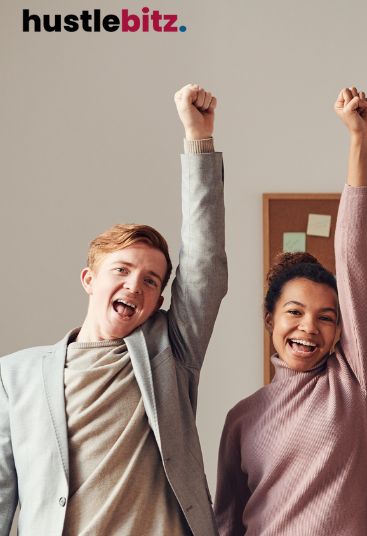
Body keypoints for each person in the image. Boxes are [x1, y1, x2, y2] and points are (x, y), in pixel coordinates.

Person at [0, 84, 226, 535]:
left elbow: (203, 263)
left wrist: (197, 139)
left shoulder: (170, 351)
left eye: (150, 280)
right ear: (89, 280)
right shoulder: (15, 376)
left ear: (160, 300)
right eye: (120, 271)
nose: (134, 286)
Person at [214, 87, 367, 535]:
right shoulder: (242, 418)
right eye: (294, 312)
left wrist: (358, 141)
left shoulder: (353, 381)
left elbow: (350, 253)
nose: (309, 327)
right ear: (270, 319)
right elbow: (227, 521)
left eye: (326, 317)